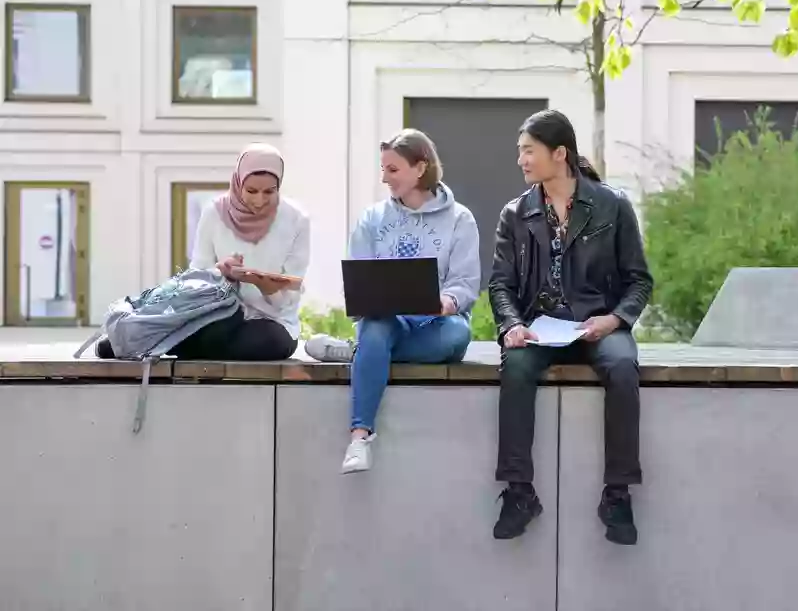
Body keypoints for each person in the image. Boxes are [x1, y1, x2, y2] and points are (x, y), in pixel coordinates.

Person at [489, 110, 653, 546]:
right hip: (540, 328)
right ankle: (518, 490)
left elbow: (639, 279)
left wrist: (615, 319)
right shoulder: (515, 213)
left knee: (622, 366)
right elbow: (501, 284)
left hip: (599, 323)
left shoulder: (611, 205)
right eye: (520, 152)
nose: (521, 160)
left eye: (529, 151)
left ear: (559, 153)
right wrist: (511, 325)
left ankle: (617, 493)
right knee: (517, 365)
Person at [341, 128, 481, 474]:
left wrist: (444, 303)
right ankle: (359, 437)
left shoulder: (460, 219)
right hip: (388, 322)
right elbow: (358, 280)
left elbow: (465, 285)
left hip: (435, 324)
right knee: (374, 329)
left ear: (420, 168)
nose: (384, 178)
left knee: (457, 335)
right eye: (383, 169)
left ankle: (359, 353)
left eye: (393, 169)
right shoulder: (372, 219)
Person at [95, 143, 310, 361]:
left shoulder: (297, 220)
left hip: (271, 322)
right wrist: (221, 271)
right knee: (216, 330)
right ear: (238, 183)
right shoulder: (215, 212)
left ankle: (148, 342)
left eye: (269, 192)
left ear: (279, 186)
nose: (259, 200)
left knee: (272, 342)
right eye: (251, 191)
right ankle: (145, 340)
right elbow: (196, 277)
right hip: (217, 312)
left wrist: (266, 286)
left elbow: (288, 301)